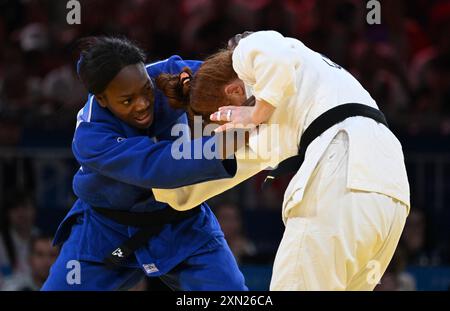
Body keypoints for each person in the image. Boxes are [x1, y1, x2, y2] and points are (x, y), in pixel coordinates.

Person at [153, 30, 410, 290]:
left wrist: (255, 113)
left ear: (234, 90)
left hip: (346, 170)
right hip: (388, 191)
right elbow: (210, 175)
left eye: (225, 117)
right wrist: (154, 187)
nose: (231, 124)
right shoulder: (290, 112)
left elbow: (275, 56)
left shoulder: (250, 52)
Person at [41, 37, 247, 291]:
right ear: (102, 99)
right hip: (104, 231)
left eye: (146, 89)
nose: (142, 104)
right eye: (127, 101)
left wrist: (247, 57)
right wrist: (231, 140)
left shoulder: (168, 74)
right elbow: (158, 165)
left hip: (182, 223)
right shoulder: (91, 136)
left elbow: (224, 78)